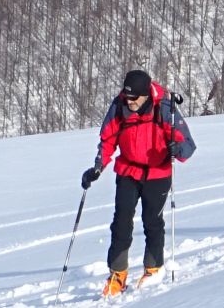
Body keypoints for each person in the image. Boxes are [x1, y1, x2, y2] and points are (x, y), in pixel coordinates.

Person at [81, 68, 195, 296]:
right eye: (127, 96)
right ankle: (117, 274)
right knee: (121, 222)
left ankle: (153, 269)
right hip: (128, 170)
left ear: (145, 95)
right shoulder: (120, 105)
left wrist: (177, 148)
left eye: (134, 98)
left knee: (152, 221)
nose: (130, 101)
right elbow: (108, 139)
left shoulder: (164, 107)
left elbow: (188, 146)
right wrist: (98, 167)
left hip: (158, 173)